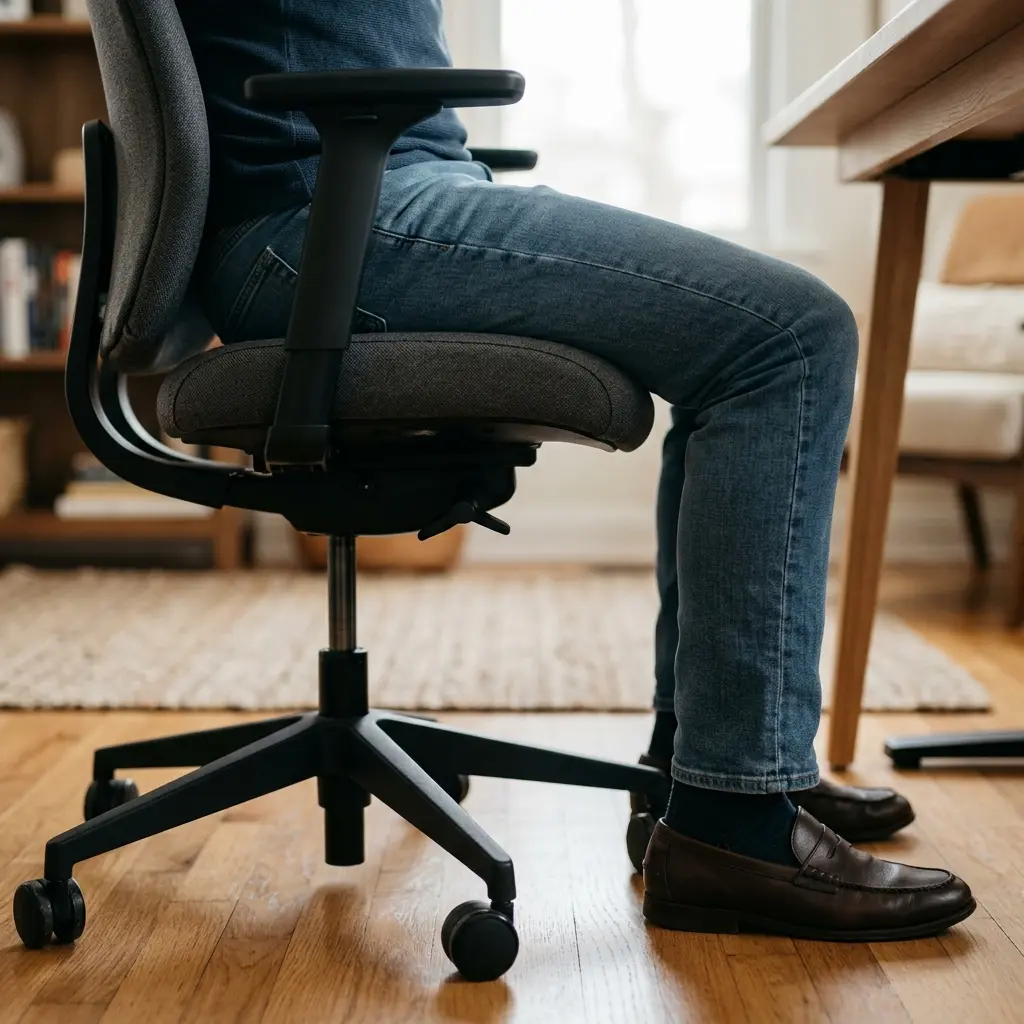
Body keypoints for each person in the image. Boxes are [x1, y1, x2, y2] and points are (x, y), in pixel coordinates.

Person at [175, 0, 974, 940]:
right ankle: (732, 825)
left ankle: (707, 772)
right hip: (329, 215)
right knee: (789, 339)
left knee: (759, 346)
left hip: (365, 199)